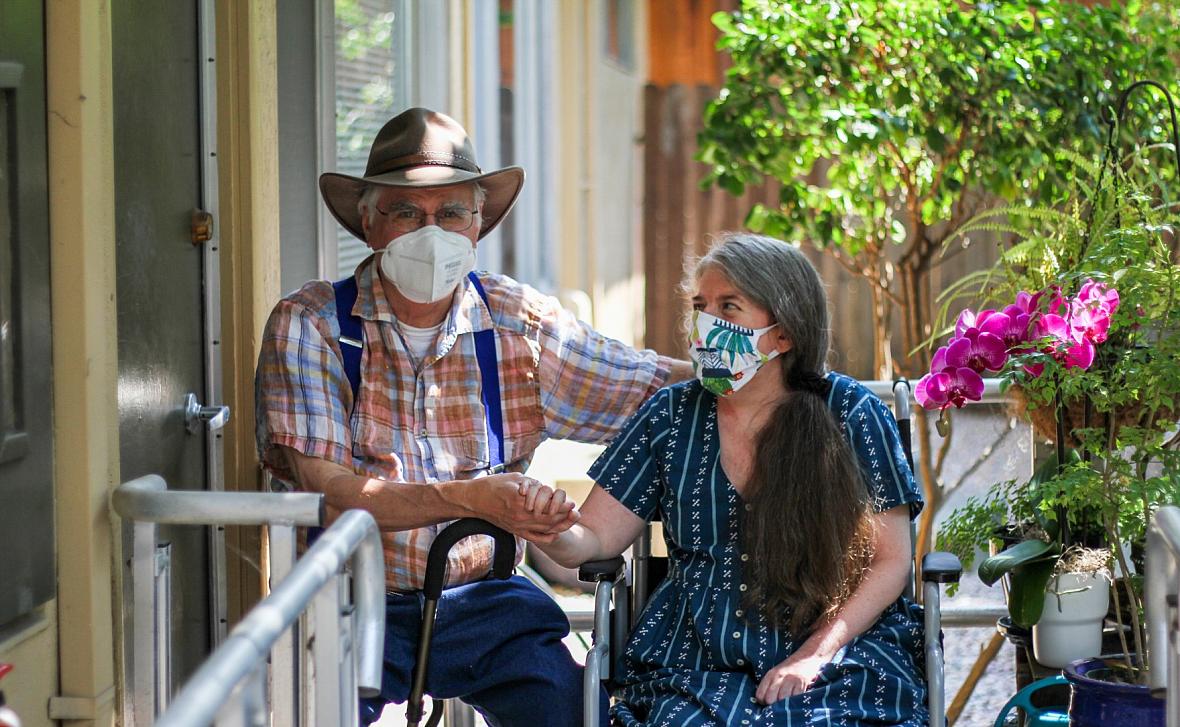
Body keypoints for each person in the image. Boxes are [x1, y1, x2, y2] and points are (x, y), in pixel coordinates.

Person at [254, 107, 692, 726]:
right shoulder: (312, 324)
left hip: (489, 602)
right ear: (369, 222)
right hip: (351, 605)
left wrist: (764, 370)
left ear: (479, 224)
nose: (431, 231)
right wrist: (476, 498)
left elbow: (645, 383)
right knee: (307, 710)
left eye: (452, 212)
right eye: (408, 211)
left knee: (573, 707)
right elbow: (332, 496)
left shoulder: (518, 321)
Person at [531, 233, 928, 726]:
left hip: (840, 658)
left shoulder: (852, 414)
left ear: (784, 335)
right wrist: (546, 525)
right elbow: (591, 539)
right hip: (694, 663)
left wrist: (813, 655)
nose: (705, 324)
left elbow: (892, 562)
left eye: (728, 307)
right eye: (700, 306)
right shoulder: (670, 417)